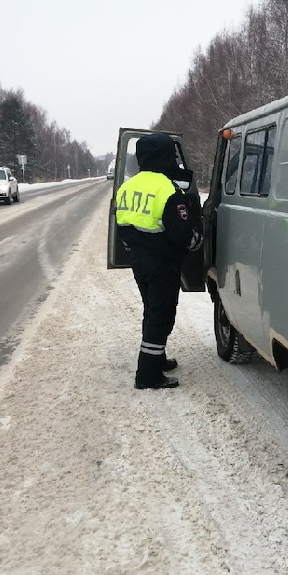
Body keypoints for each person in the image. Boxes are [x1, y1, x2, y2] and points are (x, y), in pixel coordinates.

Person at [116, 133, 203, 389]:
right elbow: (183, 236)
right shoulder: (167, 189)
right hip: (162, 264)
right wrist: (198, 239)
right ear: (165, 156)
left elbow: (122, 226)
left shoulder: (128, 186)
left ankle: (157, 357)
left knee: (152, 309)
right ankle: (148, 375)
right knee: (161, 316)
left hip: (138, 261)